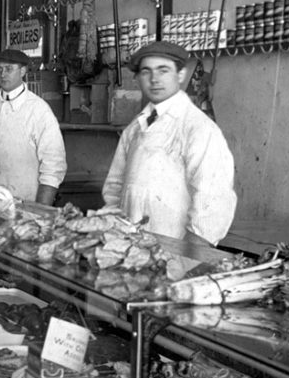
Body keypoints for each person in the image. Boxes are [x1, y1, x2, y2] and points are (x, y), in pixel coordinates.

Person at [101, 41, 236, 244]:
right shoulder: (135, 129)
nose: (154, 79)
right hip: (130, 248)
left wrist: (189, 259)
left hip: (175, 253)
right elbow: (114, 188)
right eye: (146, 72)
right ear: (137, 78)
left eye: (163, 70)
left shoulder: (198, 128)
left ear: (180, 75)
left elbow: (212, 204)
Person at [0, 48, 66, 205]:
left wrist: (41, 209)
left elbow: (53, 165)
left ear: (23, 71)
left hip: (22, 204)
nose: (3, 74)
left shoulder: (39, 111)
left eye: (9, 69)